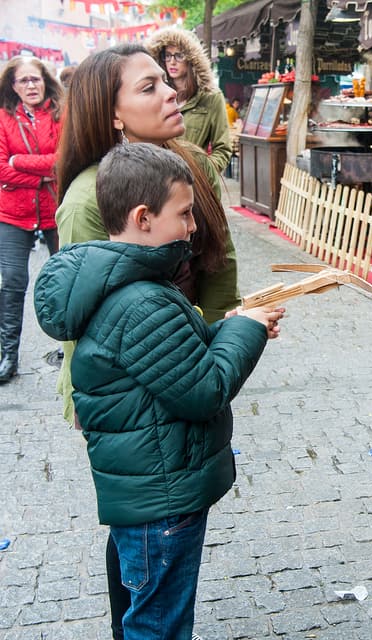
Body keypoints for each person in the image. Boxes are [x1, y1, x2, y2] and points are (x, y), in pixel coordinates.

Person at [33, 142, 284, 640]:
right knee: (158, 625)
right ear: (144, 217)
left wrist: (231, 326)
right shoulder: (141, 299)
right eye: (185, 214)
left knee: (146, 615)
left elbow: (171, 361)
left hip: (151, 494)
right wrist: (246, 331)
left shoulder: (133, 286)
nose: (193, 227)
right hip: (161, 501)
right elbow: (204, 388)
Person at [54, 43, 241, 639]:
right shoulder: (89, 196)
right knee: (143, 533)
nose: (169, 94)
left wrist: (214, 339)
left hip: (182, 361)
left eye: (168, 81)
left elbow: (220, 266)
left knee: (158, 536)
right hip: (130, 388)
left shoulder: (191, 167)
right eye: (147, 88)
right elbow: (84, 317)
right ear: (112, 114)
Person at [0, 55, 63, 384]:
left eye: (35, 79)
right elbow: (0, 168)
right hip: (12, 212)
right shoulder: (2, 118)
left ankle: (71, 346)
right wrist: (41, 176)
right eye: (23, 80)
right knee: (11, 282)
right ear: (13, 86)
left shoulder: (60, 114)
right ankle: (7, 353)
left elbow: (64, 159)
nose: (30, 85)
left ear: (45, 80)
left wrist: (20, 162)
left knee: (66, 277)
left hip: (56, 209)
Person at [146, 27, 232, 173]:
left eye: (179, 55)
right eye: (167, 55)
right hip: (158, 181)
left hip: (194, 185)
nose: (172, 61)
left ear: (191, 59)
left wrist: (202, 174)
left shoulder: (210, 97)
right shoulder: (155, 95)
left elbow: (223, 149)